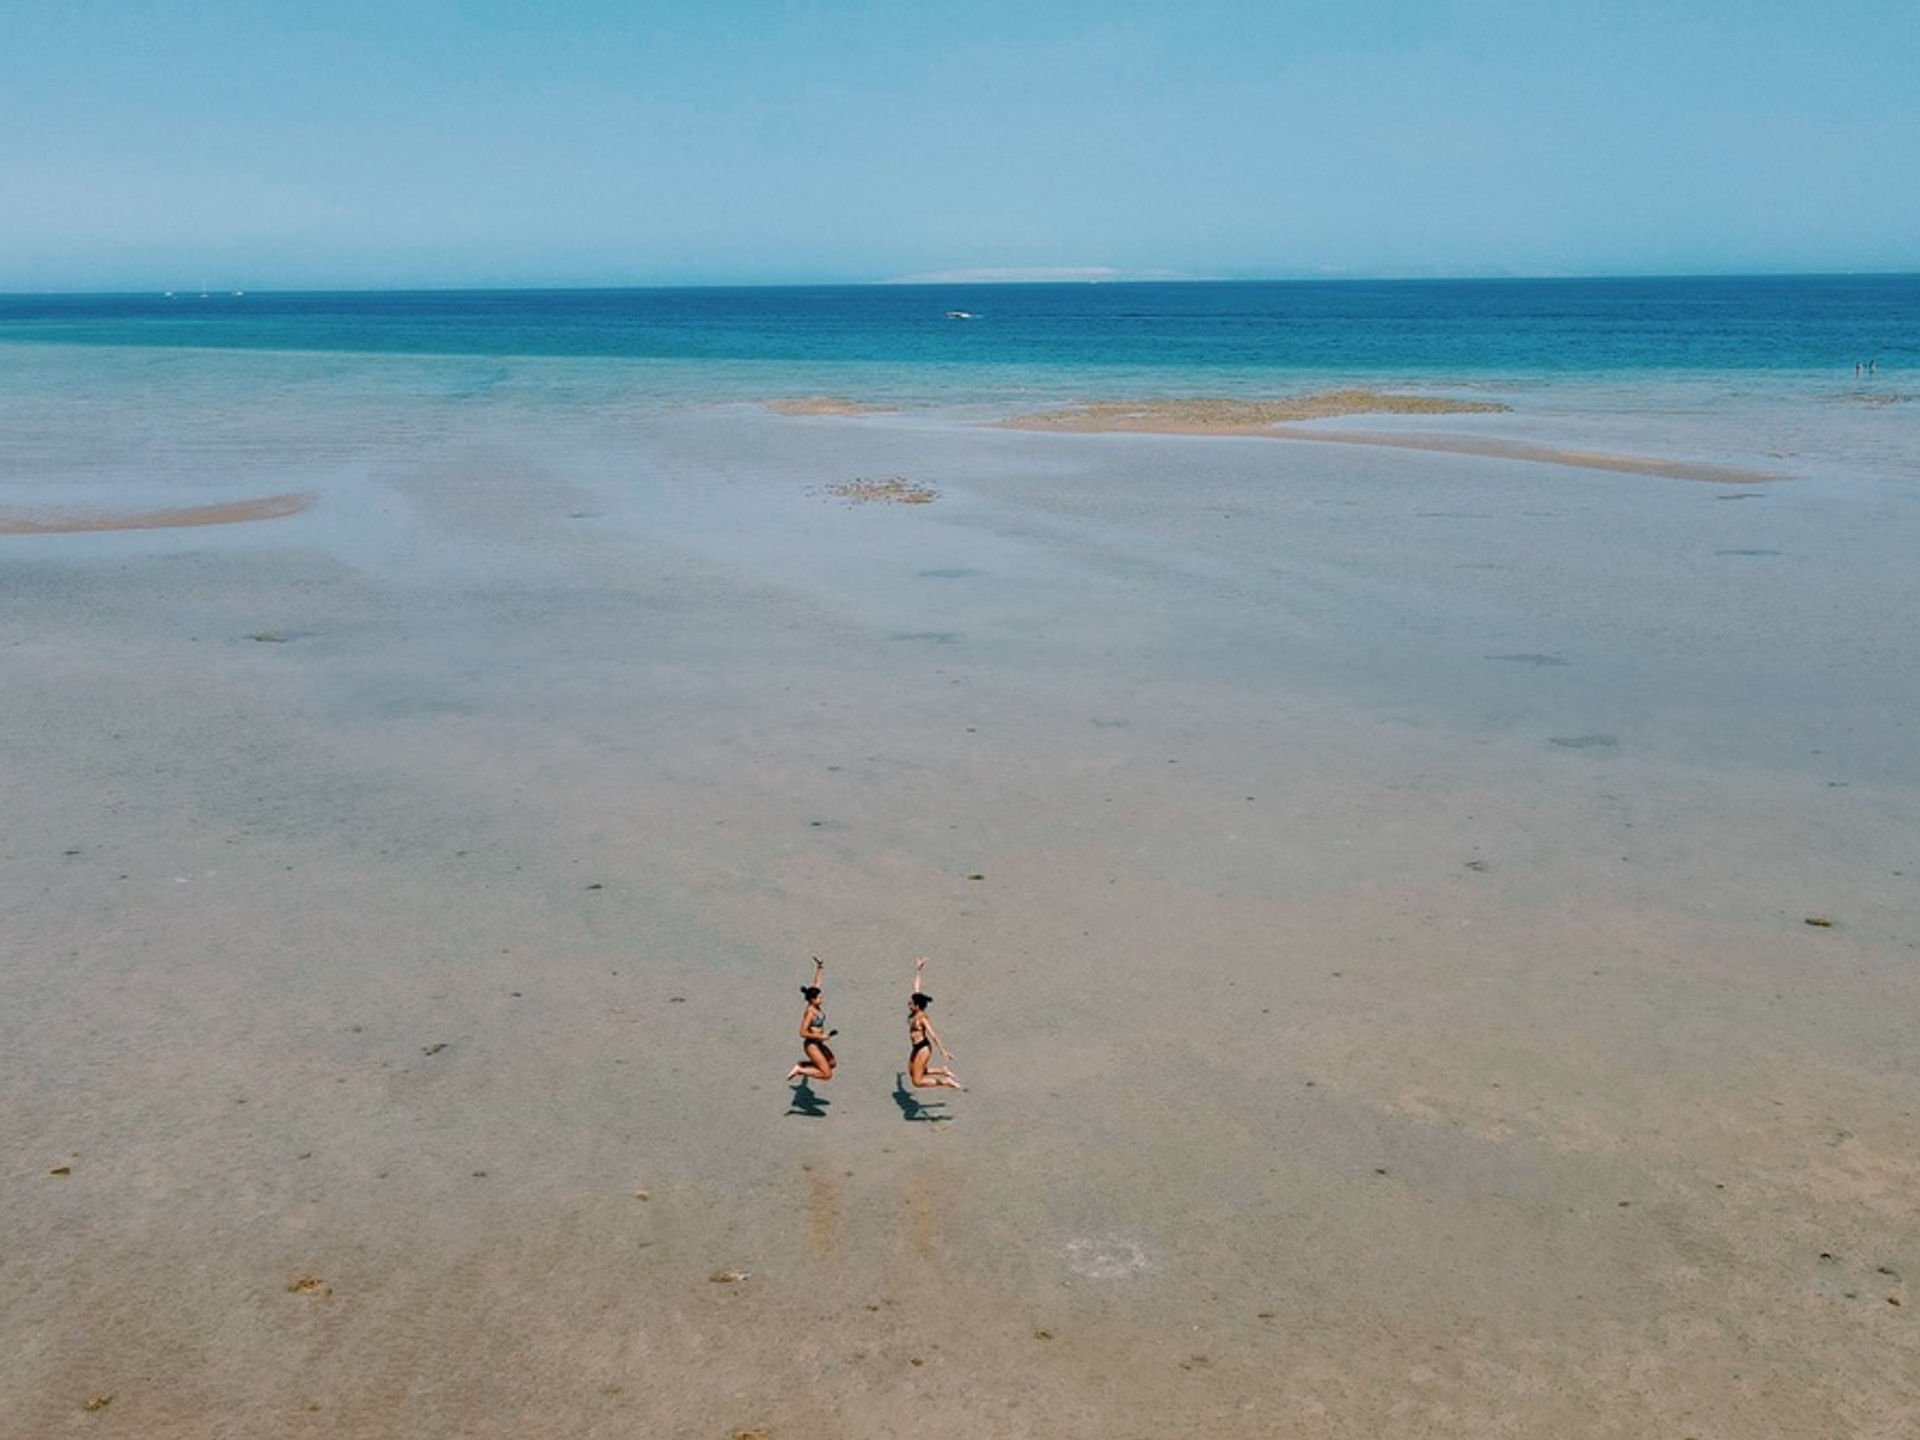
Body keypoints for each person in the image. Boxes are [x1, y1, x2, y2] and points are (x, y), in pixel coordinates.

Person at [905, 956, 962, 1089]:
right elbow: (916, 987)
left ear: (917, 1006)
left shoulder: (922, 1019)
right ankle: (942, 1070)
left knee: (917, 1082)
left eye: (911, 1004)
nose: (908, 1004)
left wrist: (943, 1051)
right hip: (916, 1047)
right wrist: (918, 970)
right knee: (912, 1071)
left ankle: (946, 1082)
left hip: (923, 1048)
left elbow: (933, 1035)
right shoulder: (915, 1009)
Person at [785, 956, 836, 1084]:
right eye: (819, 998)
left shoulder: (815, 1002)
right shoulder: (810, 1013)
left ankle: (803, 1064)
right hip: (811, 1045)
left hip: (818, 1043)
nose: (822, 999)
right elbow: (802, 1032)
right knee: (827, 1074)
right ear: (812, 1000)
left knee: (832, 1063)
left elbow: (816, 984)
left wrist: (820, 967)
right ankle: (800, 1070)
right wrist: (820, 1037)